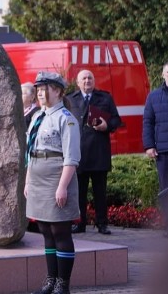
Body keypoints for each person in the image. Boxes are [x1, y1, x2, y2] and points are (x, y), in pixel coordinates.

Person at [25, 72, 80, 294]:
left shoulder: (65, 118)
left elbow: (71, 157)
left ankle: (62, 284)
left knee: (60, 231)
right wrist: (28, 181)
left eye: (44, 88)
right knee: (46, 230)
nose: (39, 92)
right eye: (38, 89)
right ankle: (50, 281)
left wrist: (62, 186)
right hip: (37, 178)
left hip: (56, 178)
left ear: (57, 91)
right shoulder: (39, 116)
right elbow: (31, 153)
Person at [67, 69, 120, 235]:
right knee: (79, 192)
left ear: (94, 81)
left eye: (90, 78)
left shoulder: (105, 98)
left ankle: (102, 223)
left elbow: (116, 120)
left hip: (99, 151)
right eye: (83, 78)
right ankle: (80, 223)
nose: (87, 81)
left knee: (100, 192)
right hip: (79, 152)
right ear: (78, 82)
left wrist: (107, 125)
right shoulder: (69, 99)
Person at [143, 61, 168, 238]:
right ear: (163, 75)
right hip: (163, 153)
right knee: (166, 191)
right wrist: (149, 145)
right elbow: (148, 122)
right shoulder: (153, 96)